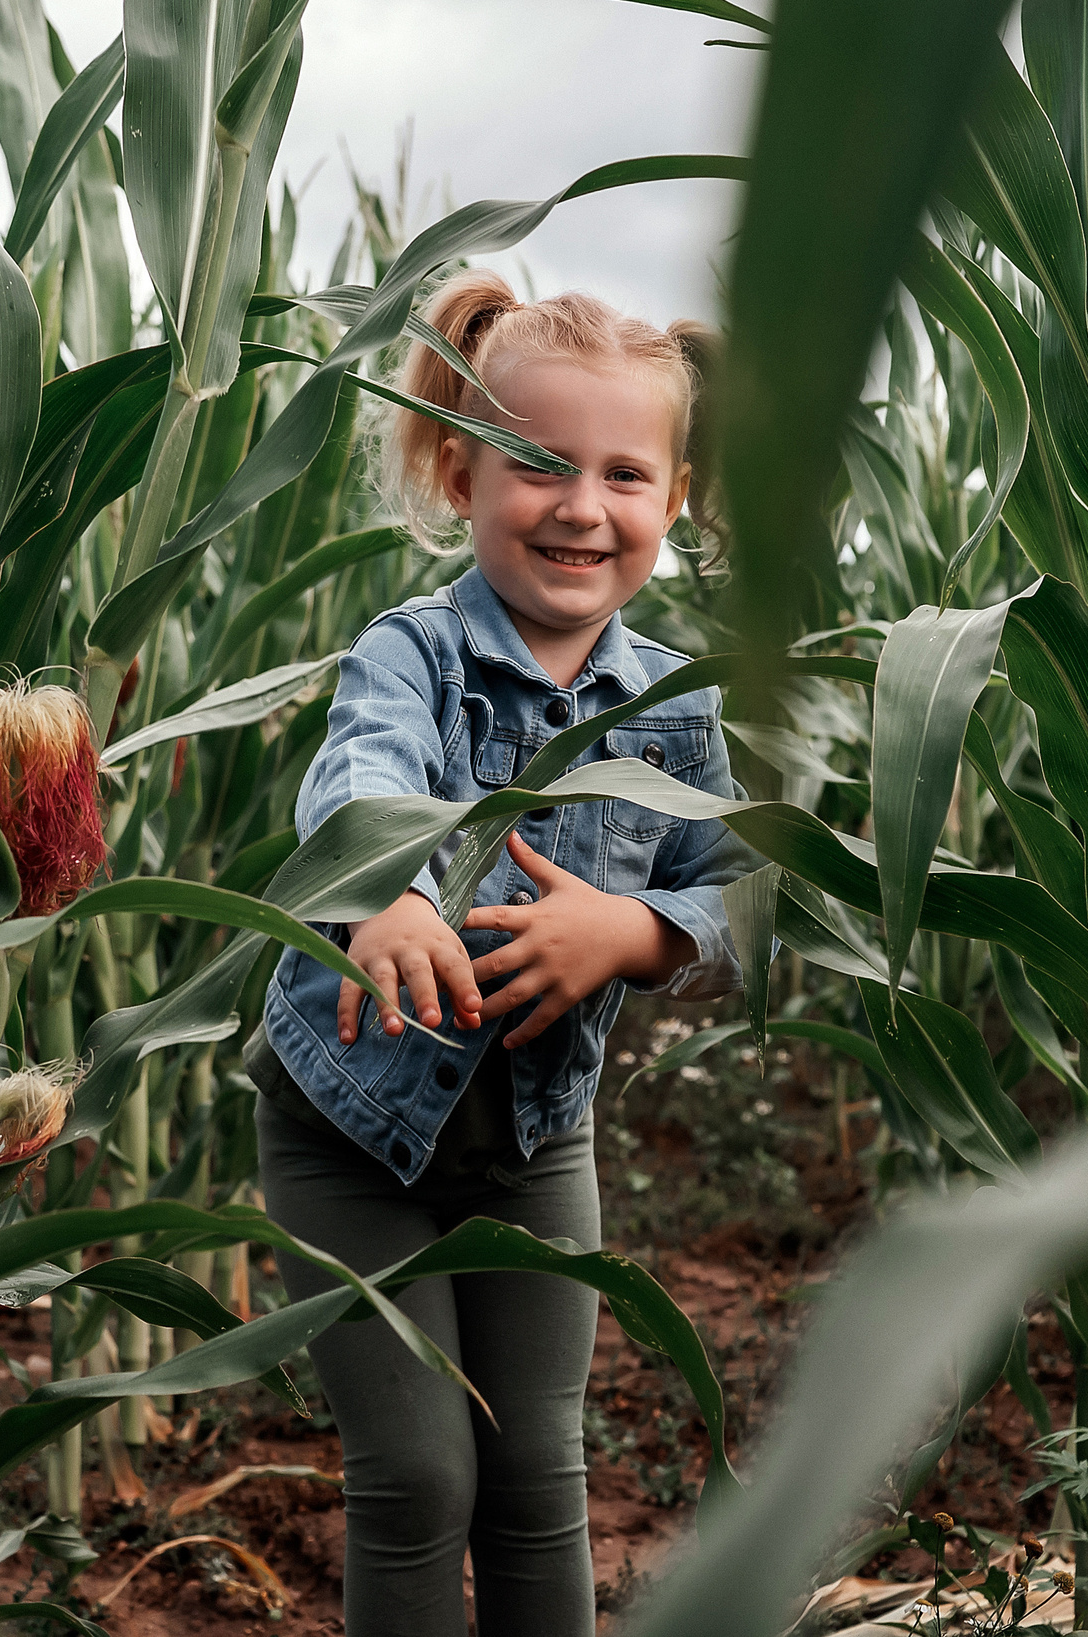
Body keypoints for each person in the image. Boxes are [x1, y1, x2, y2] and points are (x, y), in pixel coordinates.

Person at [248, 270, 757, 1636]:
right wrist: (391, 894)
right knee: (418, 1473)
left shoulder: (672, 709)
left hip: (536, 1137)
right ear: (459, 470)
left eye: (625, 473)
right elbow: (363, 776)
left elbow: (744, 895)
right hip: (351, 1135)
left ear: (676, 498)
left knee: (538, 1475)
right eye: (535, 463)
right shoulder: (410, 653)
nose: (580, 505)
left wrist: (640, 930)